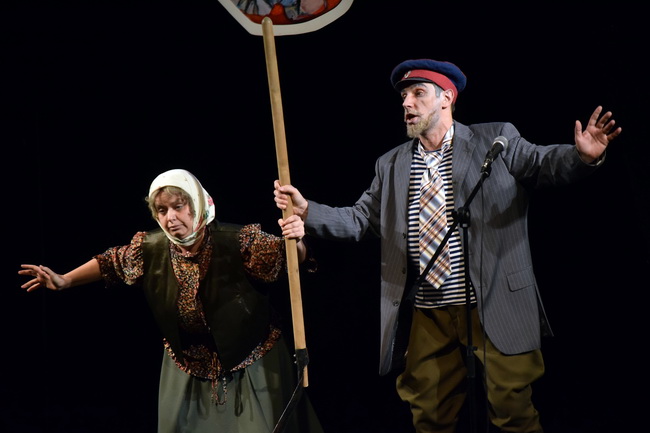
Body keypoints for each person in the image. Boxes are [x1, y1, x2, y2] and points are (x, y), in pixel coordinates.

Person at [273, 59, 622, 433]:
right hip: (430, 311)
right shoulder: (391, 164)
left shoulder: (495, 139)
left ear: (447, 98)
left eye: (418, 93)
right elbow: (362, 219)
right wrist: (308, 211)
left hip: (491, 300)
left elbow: (541, 163)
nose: (407, 103)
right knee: (429, 415)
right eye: (404, 96)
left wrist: (581, 156)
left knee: (513, 413)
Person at [19, 168, 324, 433]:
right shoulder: (149, 247)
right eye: (162, 211)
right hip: (187, 364)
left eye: (178, 207)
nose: (170, 218)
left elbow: (290, 258)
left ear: (198, 204)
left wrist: (297, 239)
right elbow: (110, 262)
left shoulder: (239, 241)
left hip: (251, 360)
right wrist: (65, 280)